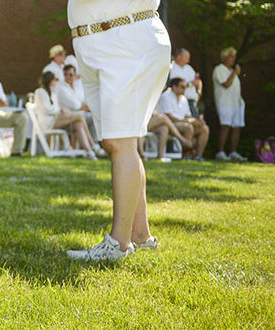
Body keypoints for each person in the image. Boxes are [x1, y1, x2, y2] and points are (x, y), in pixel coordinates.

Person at [65, 1, 169, 261]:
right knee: (121, 142)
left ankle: (118, 245)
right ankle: (140, 236)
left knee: (119, 141)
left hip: (125, 39)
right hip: (99, 40)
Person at [32, 71, 97, 160]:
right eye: (55, 79)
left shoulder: (52, 92)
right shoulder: (40, 92)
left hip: (56, 119)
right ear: (50, 80)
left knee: (78, 124)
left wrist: (60, 110)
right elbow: (46, 109)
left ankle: (89, 151)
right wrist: (60, 110)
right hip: (48, 122)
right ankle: (93, 144)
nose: (56, 82)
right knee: (79, 116)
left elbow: (54, 107)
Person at [158, 78, 209, 160]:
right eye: (182, 87)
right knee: (188, 127)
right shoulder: (165, 96)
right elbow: (169, 117)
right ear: (174, 87)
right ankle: (185, 155)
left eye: (185, 87)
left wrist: (197, 121)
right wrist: (188, 121)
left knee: (204, 128)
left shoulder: (184, 99)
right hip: (170, 124)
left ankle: (198, 156)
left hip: (182, 123)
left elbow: (187, 115)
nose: (185, 89)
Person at [56, 64, 103, 149]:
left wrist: (84, 107)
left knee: (94, 117)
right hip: (69, 117)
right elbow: (74, 104)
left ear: (75, 75)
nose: (68, 77)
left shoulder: (78, 86)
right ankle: (92, 145)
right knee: (87, 117)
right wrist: (83, 107)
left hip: (81, 113)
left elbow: (84, 101)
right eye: (65, 75)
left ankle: (95, 142)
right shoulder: (61, 87)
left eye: (70, 75)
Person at [213, 47, 246, 161]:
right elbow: (226, 84)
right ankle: (221, 152)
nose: (233, 59)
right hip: (225, 103)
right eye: (231, 56)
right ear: (225, 57)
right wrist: (235, 73)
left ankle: (233, 152)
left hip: (237, 103)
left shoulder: (233, 72)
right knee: (225, 126)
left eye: (234, 56)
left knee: (237, 127)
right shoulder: (219, 69)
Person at [169, 48, 202, 118]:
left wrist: (198, 93)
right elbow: (175, 85)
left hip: (193, 102)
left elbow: (198, 82)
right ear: (179, 57)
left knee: (197, 123)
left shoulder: (189, 68)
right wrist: (191, 84)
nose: (188, 60)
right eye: (186, 57)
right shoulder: (172, 68)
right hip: (180, 101)